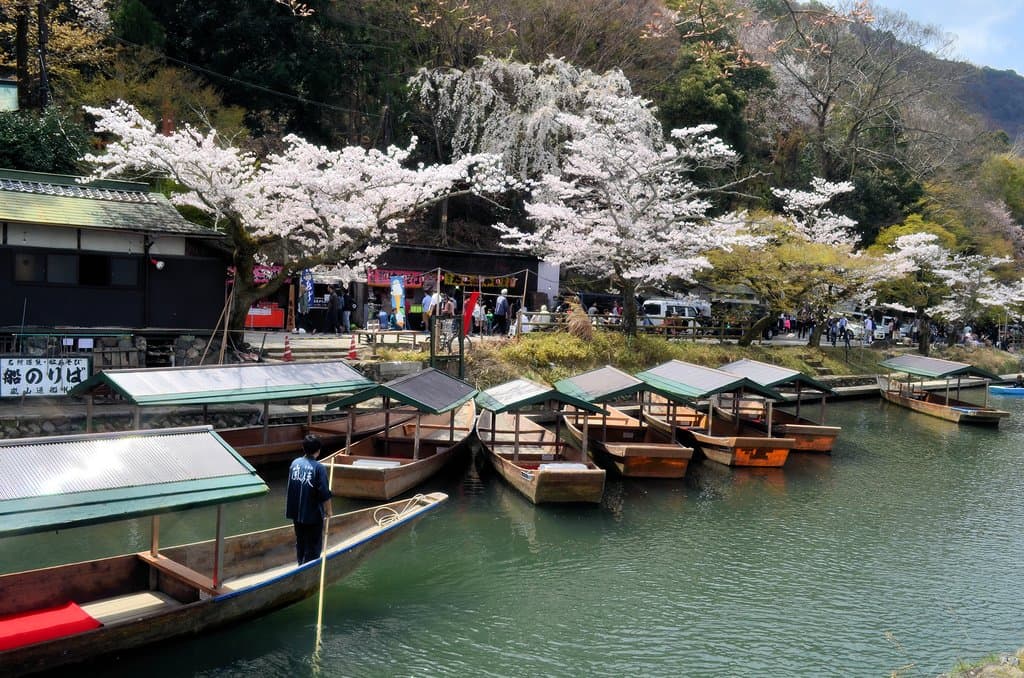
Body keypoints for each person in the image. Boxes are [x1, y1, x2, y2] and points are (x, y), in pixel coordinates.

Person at [285, 435, 333, 566]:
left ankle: (300, 564)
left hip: (297, 513)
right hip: (312, 514)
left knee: (300, 541)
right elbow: (324, 493)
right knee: (313, 545)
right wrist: (329, 511)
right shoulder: (318, 468)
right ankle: (309, 569)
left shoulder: (295, 463)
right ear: (318, 450)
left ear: (303, 448)